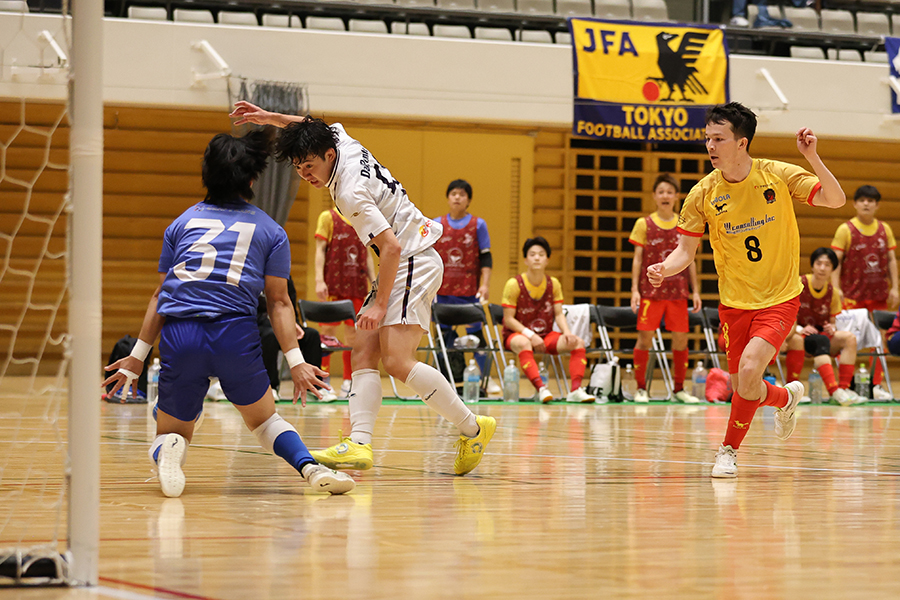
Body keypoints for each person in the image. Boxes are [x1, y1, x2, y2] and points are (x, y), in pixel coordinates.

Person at [229, 101, 496, 476]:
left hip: (412, 259)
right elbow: (311, 125)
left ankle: (473, 428)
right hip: (405, 260)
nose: (305, 174)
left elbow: (391, 247)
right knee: (364, 352)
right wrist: (272, 118)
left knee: (397, 361)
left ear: (328, 156)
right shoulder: (339, 139)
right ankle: (359, 442)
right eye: (298, 168)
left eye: (310, 166)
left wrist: (379, 304)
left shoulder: (350, 192)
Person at [102, 130, 354, 497]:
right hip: (234, 335)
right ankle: (310, 468)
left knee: (171, 430)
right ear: (252, 180)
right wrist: (297, 362)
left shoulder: (181, 224)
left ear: (206, 174)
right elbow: (279, 302)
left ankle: (170, 449)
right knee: (265, 421)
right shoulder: (270, 230)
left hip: (182, 335)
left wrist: (137, 356)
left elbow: (161, 295)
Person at [647, 101, 846, 479]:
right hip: (734, 303)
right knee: (745, 387)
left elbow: (835, 199)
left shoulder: (777, 175)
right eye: (707, 138)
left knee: (751, 368)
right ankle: (786, 397)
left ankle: (727, 451)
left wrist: (812, 157)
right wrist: (664, 269)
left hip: (780, 297)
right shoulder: (702, 193)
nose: (710, 146)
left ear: (742, 142)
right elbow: (684, 251)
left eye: (719, 139)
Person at [629, 173, 703, 404]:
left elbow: (690, 259)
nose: (665, 196)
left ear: (676, 196)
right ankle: (641, 389)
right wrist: (634, 290)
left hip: (678, 292)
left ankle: (679, 389)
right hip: (650, 292)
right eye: (661, 191)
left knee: (681, 341)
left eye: (669, 192)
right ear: (654, 196)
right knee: (644, 340)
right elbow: (637, 259)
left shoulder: (685, 223)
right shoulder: (643, 224)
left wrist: (696, 291)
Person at [501, 237, 596, 404]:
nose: (537, 258)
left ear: (547, 259)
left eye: (541, 254)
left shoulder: (554, 284)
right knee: (524, 343)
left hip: (545, 335)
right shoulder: (514, 284)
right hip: (517, 335)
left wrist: (567, 332)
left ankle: (575, 390)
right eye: (532, 254)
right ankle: (541, 389)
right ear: (525, 260)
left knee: (578, 342)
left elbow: (559, 314)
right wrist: (530, 335)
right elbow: (508, 319)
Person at [830, 184, 898, 400]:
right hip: (852, 296)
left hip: (878, 295)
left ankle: (876, 385)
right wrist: (836, 289)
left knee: (877, 341)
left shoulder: (884, 229)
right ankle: (846, 384)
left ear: (877, 205)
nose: (866, 204)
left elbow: (891, 260)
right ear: (855, 204)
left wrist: (895, 287)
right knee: (848, 340)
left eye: (871, 201)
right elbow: (835, 262)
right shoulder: (845, 229)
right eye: (862, 200)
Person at [433, 179, 493, 386]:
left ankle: (483, 381)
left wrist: (485, 285)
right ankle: (443, 381)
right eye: (453, 193)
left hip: (469, 293)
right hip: (442, 293)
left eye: (462, 194)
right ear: (448, 198)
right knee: (443, 339)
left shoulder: (479, 225)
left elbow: (486, 257)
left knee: (477, 338)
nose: (457, 197)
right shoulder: (437, 224)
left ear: (469, 200)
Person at [783, 248, 860, 406]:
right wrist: (799, 328)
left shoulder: (833, 293)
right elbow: (786, 313)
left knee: (849, 338)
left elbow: (832, 321)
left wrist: (832, 327)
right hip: (797, 334)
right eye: (819, 263)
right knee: (804, 340)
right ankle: (793, 389)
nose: (822, 268)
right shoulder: (798, 284)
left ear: (833, 269)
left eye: (827, 265)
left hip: (820, 337)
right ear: (812, 266)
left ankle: (843, 388)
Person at [314, 208, 375, 400]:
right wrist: (319, 280)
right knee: (327, 336)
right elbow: (320, 250)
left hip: (357, 286)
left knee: (354, 338)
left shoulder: (362, 219)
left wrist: (374, 282)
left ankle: (349, 381)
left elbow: (367, 255)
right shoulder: (328, 217)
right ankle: (323, 381)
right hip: (333, 285)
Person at [257, 276, 324, 399]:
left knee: (311, 335)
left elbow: (289, 306)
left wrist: (294, 323)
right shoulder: (253, 275)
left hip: (282, 325)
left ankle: (312, 388)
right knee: (270, 335)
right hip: (259, 325)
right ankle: (270, 387)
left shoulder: (283, 277)